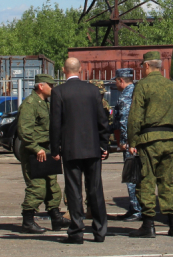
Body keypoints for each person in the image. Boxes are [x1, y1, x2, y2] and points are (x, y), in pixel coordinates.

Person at [50, 57, 111, 245]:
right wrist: (104, 145)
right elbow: (103, 120)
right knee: (95, 189)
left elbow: (55, 123)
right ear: (81, 70)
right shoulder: (93, 91)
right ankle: (100, 231)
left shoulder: (59, 92)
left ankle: (76, 231)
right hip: (92, 148)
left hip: (71, 148)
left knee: (74, 190)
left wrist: (55, 148)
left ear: (63, 70)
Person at [127, 51, 173, 239]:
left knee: (147, 180)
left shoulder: (143, 86)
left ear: (146, 66)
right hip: (168, 139)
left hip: (149, 140)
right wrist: (172, 137)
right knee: (167, 181)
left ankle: (148, 225)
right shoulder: (172, 86)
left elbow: (135, 116)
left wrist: (132, 141)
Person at [17, 74, 69, 234]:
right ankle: (27, 220)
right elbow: (24, 130)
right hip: (35, 152)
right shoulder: (30, 104)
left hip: (47, 150)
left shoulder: (45, 103)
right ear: (41, 86)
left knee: (52, 187)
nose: (53, 89)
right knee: (37, 187)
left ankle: (56, 217)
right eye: (50, 86)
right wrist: (35, 148)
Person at [113, 69, 141, 222]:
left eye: (116, 81)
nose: (115, 83)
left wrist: (124, 142)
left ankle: (137, 209)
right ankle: (133, 207)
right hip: (139, 141)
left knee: (132, 176)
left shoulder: (125, 97)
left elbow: (124, 121)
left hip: (131, 143)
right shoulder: (137, 92)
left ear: (121, 81)